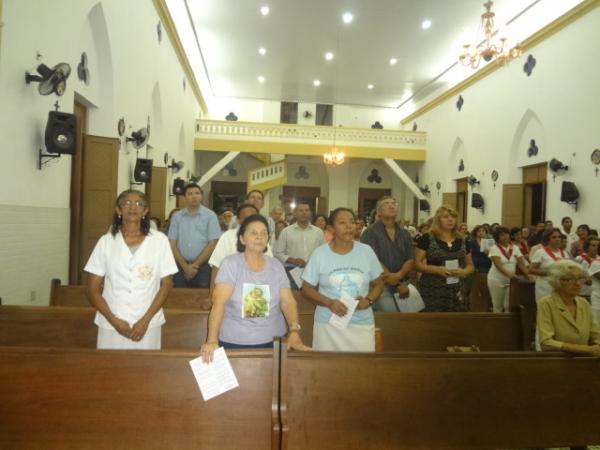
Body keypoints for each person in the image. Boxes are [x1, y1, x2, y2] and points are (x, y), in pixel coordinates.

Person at [200, 214, 310, 360]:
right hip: (234, 341)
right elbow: (219, 303)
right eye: (253, 233)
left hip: (274, 340)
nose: (260, 237)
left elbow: (288, 302)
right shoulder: (231, 264)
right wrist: (212, 340)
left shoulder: (276, 266)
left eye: (264, 233)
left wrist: (294, 331)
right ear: (242, 239)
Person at [84, 190, 178, 350]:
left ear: (145, 211)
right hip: (111, 322)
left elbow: (167, 284)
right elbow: (92, 289)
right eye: (127, 203)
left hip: (148, 322)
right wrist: (114, 320)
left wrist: (145, 320)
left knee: (145, 371)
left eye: (138, 203)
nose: (132, 207)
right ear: (118, 210)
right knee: (109, 371)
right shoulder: (106, 242)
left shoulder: (159, 241)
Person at [301, 208, 384, 352]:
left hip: (361, 323)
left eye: (352, 222)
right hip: (328, 323)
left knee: (361, 370)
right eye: (342, 223)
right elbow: (306, 289)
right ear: (331, 228)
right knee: (327, 369)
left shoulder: (366, 251)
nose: (349, 226)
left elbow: (379, 283)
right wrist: (330, 302)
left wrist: (369, 300)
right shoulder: (320, 254)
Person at [208, 203, 275, 299]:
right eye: (245, 218)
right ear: (238, 220)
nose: (250, 221)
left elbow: (269, 269)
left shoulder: (262, 238)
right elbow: (216, 267)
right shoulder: (227, 237)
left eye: (253, 217)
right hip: (230, 292)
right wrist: (212, 296)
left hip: (255, 293)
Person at [415, 206, 474, 312]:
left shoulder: (463, 239)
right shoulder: (427, 238)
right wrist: (437, 270)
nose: (450, 220)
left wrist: (463, 271)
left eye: (453, 217)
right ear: (438, 220)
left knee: (456, 323)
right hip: (432, 289)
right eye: (445, 217)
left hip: (456, 288)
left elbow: (470, 265)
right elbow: (416, 264)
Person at [360, 196, 415, 312]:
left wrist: (399, 277)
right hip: (380, 285)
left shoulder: (405, 233)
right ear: (379, 212)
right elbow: (373, 260)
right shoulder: (370, 232)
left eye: (394, 203)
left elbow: (410, 259)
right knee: (391, 317)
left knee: (408, 320)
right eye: (386, 204)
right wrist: (394, 280)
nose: (391, 206)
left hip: (403, 284)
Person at [537, 260, 600, 356]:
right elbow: (546, 342)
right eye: (571, 279)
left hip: (585, 361)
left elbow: (595, 334)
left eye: (581, 279)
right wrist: (583, 349)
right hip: (558, 362)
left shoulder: (584, 303)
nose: (578, 283)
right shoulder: (546, 304)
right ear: (558, 281)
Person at [168, 183, 221, 288]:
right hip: (180, 266)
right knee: (179, 298)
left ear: (201, 196)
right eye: (190, 194)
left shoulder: (210, 216)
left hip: (204, 266)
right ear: (184, 197)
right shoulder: (177, 217)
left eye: (197, 193)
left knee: (202, 299)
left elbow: (212, 244)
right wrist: (184, 266)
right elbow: (172, 244)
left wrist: (195, 266)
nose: (194, 196)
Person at [274, 202, 325, 287]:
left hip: (314, 271)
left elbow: (324, 252)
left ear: (310, 213)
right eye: (301, 210)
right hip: (292, 270)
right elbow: (278, 253)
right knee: (294, 297)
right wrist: (293, 260)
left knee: (313, 297)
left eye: (307, 210)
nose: (304, 213)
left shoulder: (318, 232)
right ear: (295, 213)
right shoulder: (286, 231)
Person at [487, 227, 529, 313]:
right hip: (496, 280)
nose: (505, 236)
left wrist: (528, 275)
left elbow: (521, 264)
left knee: (508, 306)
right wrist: (511, 275)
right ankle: (497, 325)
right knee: (498, 306)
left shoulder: (515, 248)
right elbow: (499, 266)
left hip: (511, 281)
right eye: (502, 235)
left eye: (506, 234)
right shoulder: (494, 248)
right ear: (497, 237)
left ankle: (506, 326)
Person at [529, 228, 569, 302]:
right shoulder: (541, 252)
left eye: (559, 237)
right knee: (545, 310)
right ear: (547, 239)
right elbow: (531, 270)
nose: (557, 239)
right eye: (554, 237)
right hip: (545, 286)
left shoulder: (564, 253)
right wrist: (548, 272)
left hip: (560, 287)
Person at [575, 236, 600, 315]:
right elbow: (574, 275)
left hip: (595, 293)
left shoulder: (599, 259)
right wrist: (585, 279)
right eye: (593, 245)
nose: (596, 248)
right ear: (587, 246)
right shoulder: (580, 259)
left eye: (598, 246)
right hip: (583, 294)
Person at [469, 225, 492, 311]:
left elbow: (493, 256)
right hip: (476, 267)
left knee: (485, 290)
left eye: (483, 231)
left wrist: (489, 253)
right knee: (476, 290)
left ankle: (485, 308)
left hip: (487, 266)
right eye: (479, 231)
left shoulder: (489, 242)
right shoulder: (472, 242)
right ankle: (475, 308)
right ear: (475, 232)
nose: (481, 232)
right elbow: (469, 255)